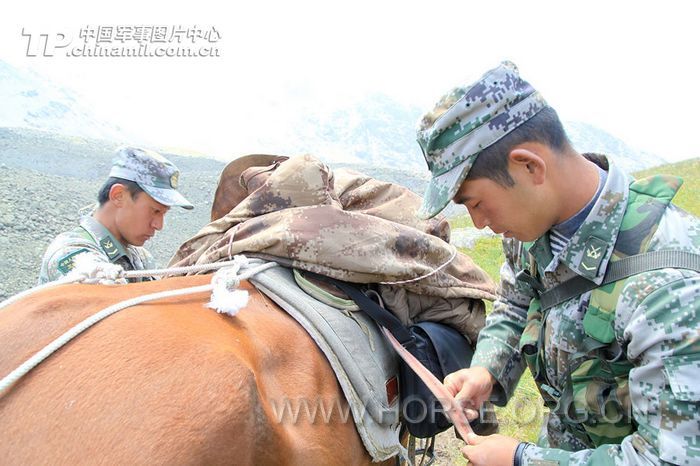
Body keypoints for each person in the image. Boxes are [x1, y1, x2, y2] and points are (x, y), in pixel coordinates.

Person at [416, 61, 700, 465]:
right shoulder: (533, 231)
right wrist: (488, 369)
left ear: (529, 166)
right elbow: (516, 303)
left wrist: (521, 460)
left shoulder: (670, 290)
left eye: (476, 203)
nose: (479, 223)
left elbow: (671, 459)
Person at [38, 146, 194, 284]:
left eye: (164, 214)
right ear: (118, 195)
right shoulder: (72, 253)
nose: (158, 225)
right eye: (155, 211)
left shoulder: (141, 257)